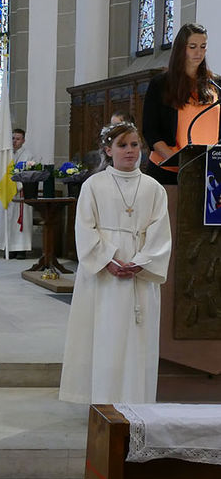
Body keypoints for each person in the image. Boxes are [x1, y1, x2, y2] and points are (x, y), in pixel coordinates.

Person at [59, 122, 171, 404]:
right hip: (104, 275)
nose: (130, 151)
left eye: (135, 145)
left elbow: (161, 232)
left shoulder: (154, 187)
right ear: (108, 150)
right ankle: (102, 401)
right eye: (122, 145)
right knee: (104, 336)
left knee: (137, 340)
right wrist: (107, 259)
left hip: (139, 276)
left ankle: (137, 401)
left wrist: (142, 261)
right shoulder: (94, 185)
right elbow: (84, 227)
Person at [142, 22, 221, 185]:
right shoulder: (161, 84)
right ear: (180, 48)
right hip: (168, 170)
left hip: (208, 170)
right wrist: (176, 160)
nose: (198, 52)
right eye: (192, 46)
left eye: (203, 46)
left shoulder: (215, 85)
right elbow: (151, 131)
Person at [0, 127, 35, 258]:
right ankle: (9, 247)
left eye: (17, 139)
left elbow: (29, 173)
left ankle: (21, 249)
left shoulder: (28, 155)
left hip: (20, 192)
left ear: (23, 140)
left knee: (20, 221)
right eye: (12, 138)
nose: (14, 141)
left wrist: (17, 184)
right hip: (7, 191)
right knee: (8, 220)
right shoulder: (6, 154)